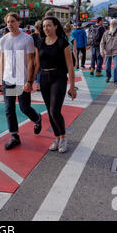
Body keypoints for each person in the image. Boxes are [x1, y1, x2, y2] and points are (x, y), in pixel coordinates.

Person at [0, 12, 42, 150]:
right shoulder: (3, 40)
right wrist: (0, 79)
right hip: (8, 79)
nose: (10, 24)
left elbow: (31, 62)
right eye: (8, 22)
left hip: (21, 79)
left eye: (12, 21)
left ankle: (37, 119)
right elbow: (3, 60)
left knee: (24, 107)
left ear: (18, 22)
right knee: (9, 108)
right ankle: (14, 136)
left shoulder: (27, 39)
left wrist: (29, 81)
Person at [35, 16, 77, 153]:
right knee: (49, 110)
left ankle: (63, 137)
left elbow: (70, 66)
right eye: (44, 26)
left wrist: (72, 86)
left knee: (54, 110)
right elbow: (37, 65)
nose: (46, 28)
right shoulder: (40, 43)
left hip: (58, 77)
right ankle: (57, 137)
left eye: (49, 25)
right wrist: (31, 81)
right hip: (44, 78)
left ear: (56, 26)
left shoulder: (62, 42)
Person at [100, 19, 117, 87]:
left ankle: (116, 81)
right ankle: (108, 76)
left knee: (116, 66)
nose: (113, 25)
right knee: (107, 67)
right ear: (110, 25)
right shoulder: (106, 33)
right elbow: (102, 43)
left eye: (114, 24)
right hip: (107, 52)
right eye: (112, 24)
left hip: (116, 51)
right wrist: (101, 51)